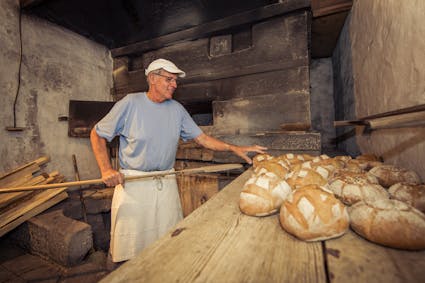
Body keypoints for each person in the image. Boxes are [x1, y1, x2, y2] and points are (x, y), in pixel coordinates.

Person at [90, 58, 267, 263]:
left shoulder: (176, 109)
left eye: (175, 80)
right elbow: (97, 133)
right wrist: (106, 170)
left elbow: (202, 138)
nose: (174, 84)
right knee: (132, 249)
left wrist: (233, 148)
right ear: (152, 79)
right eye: (169, 79)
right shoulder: (131, 103)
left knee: (166, 245)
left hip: (165, 184)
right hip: (134, 186)